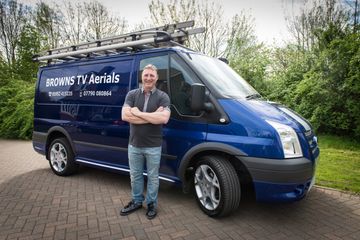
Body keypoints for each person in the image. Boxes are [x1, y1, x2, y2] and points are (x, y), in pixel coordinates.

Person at [120, 64, 171, 219]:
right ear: (142, 77)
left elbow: (164, 118)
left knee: (153, 177)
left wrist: (138, 113)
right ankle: (136, 201)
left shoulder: (163, 96)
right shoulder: (132, 94)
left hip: (153, 146)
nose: (148, 78)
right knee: (135, 176)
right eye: (146, 75)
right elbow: (125, 116)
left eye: (152, 75)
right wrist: (152, 116)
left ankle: (151, 204)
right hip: (134, 144)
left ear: (156, 78)